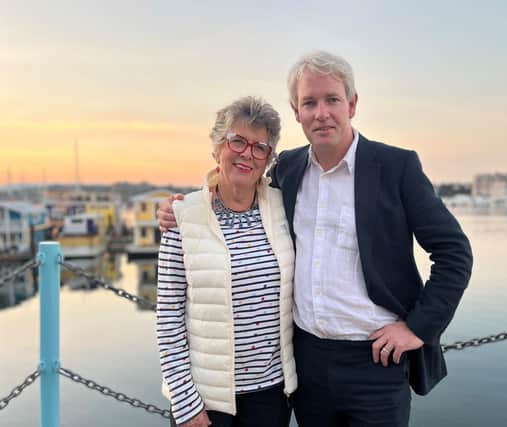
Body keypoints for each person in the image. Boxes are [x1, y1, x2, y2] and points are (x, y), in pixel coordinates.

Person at [158, 51, 473, 427]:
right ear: (297, 111)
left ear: (352, 104)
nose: (321, 112)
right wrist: (184, 208)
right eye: (310, 102)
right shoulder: (287, 170)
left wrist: (418, 328)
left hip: (376, 361)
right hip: (307, 367)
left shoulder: (395, 167)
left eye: (332, 100)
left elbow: (454, 253)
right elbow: (236, 181)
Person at [156, 96, 297, 427]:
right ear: (218, 147)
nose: (247, 153)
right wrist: (186, 403)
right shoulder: (183, 217)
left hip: (271, 396)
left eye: (260, 147)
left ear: (267, 160)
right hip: (207, 401)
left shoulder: (282, 209)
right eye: (237, 141)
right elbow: (168, 319)